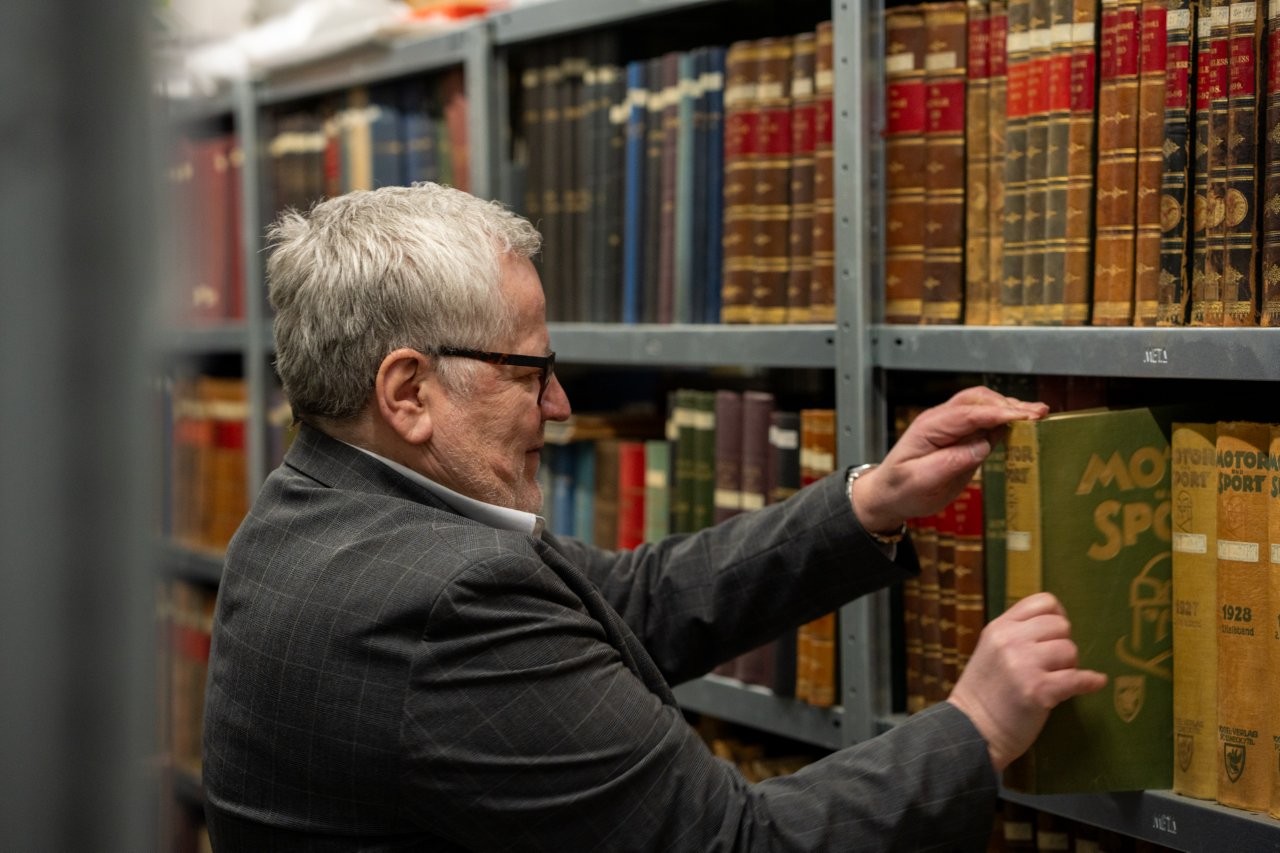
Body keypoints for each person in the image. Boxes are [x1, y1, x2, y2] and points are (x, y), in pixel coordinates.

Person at [201, 182, 1106, 852]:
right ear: (408, 393)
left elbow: (620, 604)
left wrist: (869, 500)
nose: (558, 407)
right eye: (529, 372)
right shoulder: (446, 598)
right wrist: (977, 726)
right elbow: (735, 846)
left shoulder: (306, 511)